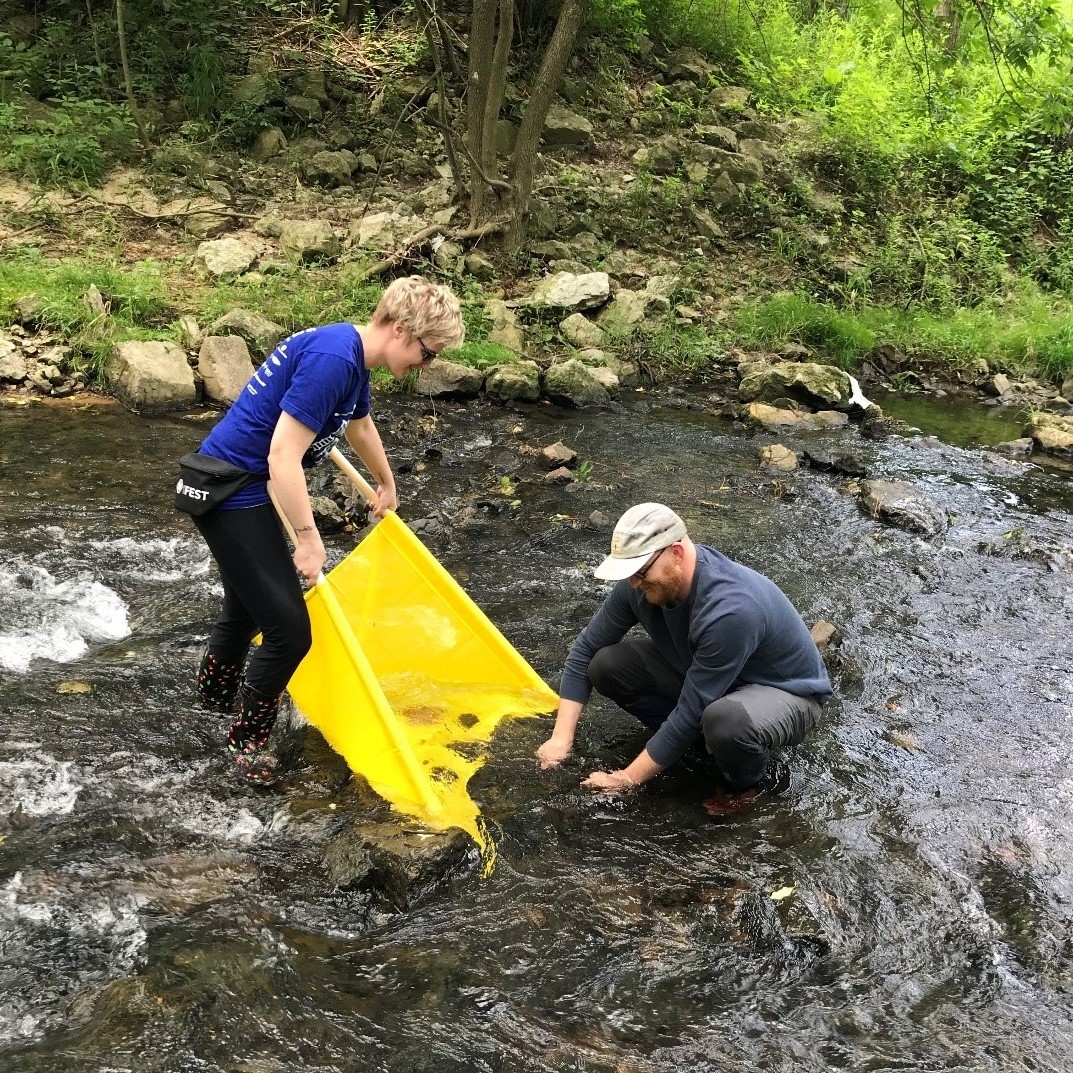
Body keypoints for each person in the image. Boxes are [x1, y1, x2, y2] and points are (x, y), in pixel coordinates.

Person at [183, 275, 465, 785]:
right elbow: (282, 457)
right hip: (230, 491)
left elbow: (358, 425)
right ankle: (245, 742)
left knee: (247, 609)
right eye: (428, 353)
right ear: (401, 330)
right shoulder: (335, 360)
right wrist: (310, 539)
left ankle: (211, 704)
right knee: (290, 632)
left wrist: (385, 480)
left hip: (236, 484)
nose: (428, 365)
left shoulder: (351, 353)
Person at [537, 503, 831, 805]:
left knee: (724, 721)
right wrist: (561, 739)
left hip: (788, 693)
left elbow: (692, 710)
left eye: (639, 572)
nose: (634, 583)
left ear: (676, 554)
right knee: (607, 665)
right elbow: (586, 649)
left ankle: (749, 786)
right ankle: (699, 747)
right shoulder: (639, 583)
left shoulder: (731, 609)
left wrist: (626, 778)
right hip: (709, 676)